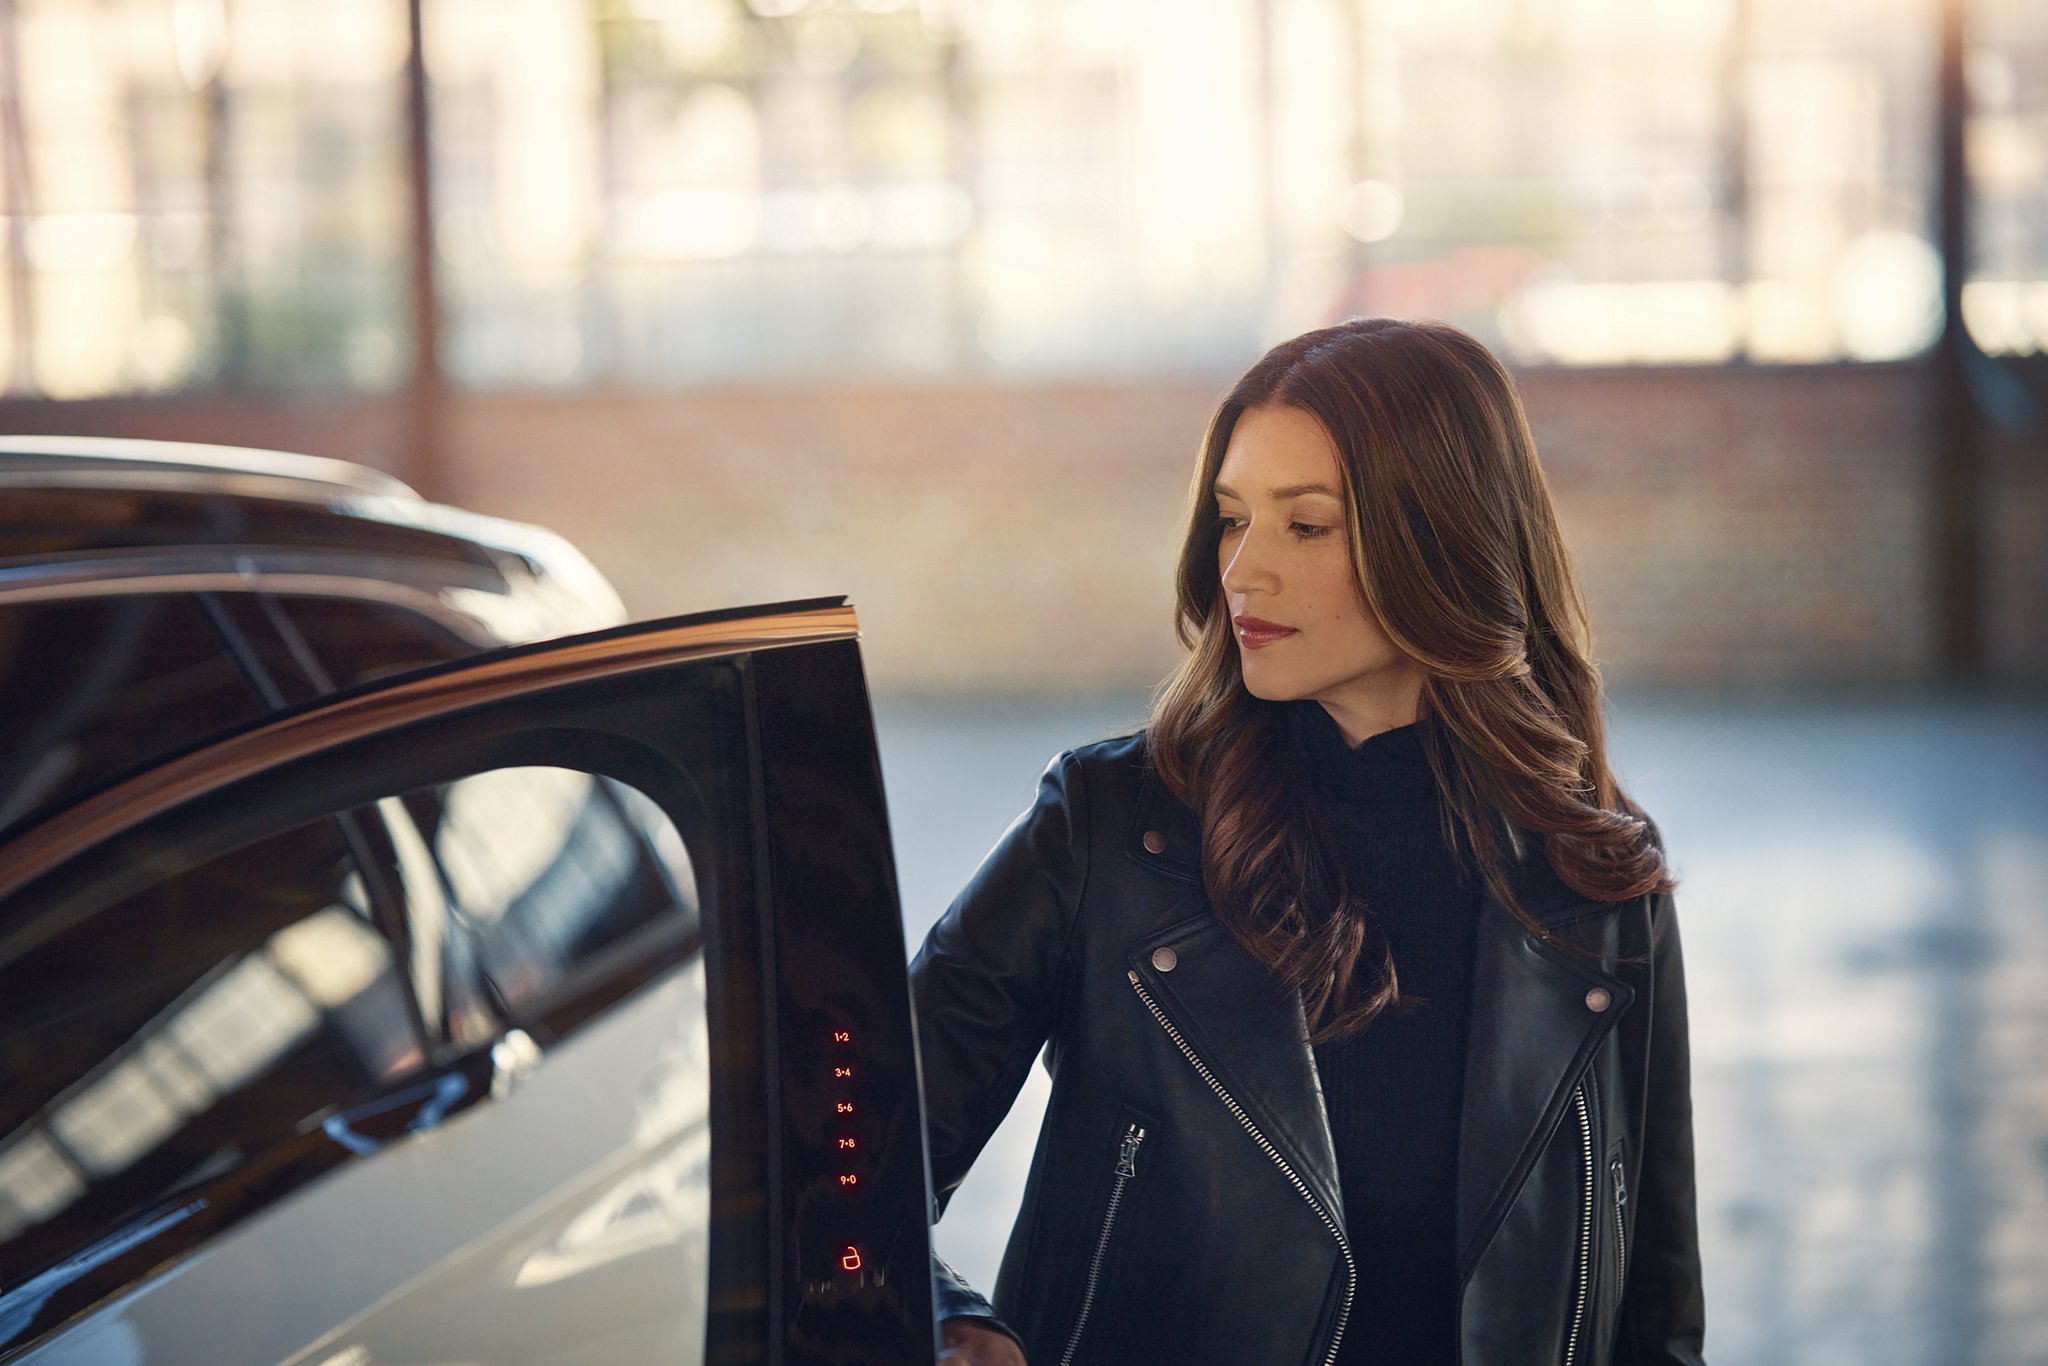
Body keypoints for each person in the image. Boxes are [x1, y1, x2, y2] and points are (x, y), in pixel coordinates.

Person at [913, 317, 1706, 1366]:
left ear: (1442, 540)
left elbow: (1654, 1311)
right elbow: (849, 1149)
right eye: (1231, 520)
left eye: (1307, 526)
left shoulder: (1594, 874)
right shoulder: (1103, 830)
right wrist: (947, 1321)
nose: (1242, 571)